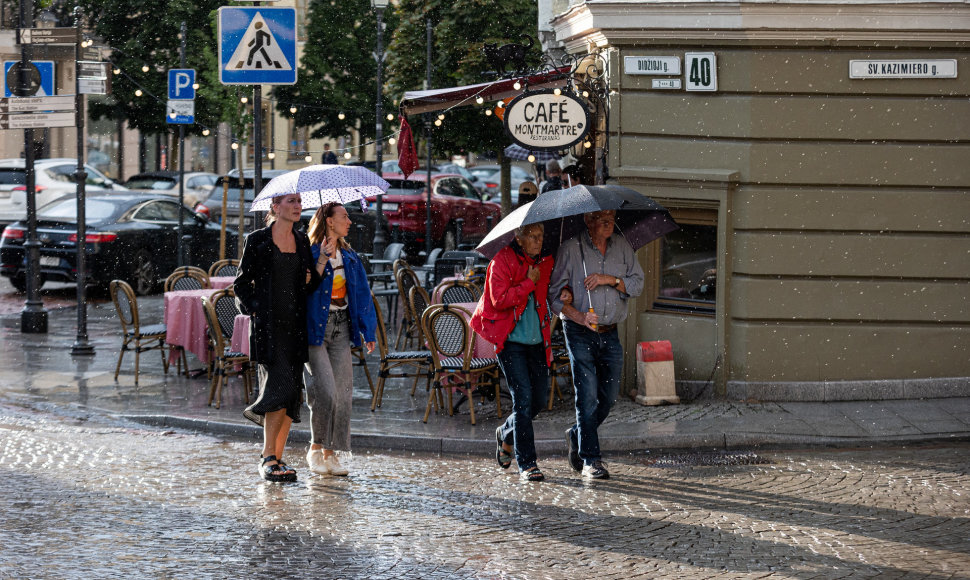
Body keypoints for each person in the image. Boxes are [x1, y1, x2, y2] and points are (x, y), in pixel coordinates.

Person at [548, 209, 644, 480]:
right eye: (600, 218)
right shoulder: (571, 249)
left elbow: (637, 284)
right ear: (587, 221)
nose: (608, 222)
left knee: (609, 396)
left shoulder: (622, 247)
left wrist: (610, 279)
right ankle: (591, 460)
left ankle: (578, 433)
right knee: (587, 396)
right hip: (580, 333)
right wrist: (579, 315)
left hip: (611, 332)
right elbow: (554, 297)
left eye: (610, 217)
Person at [234, 193, 322, 483]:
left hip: (295, 328)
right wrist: (257, 311)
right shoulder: (258, 239)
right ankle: (267, 456)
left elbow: (310, 286)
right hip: (269, 328)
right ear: (275, 207)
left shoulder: (302, 241)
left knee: (291, 393)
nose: (298, 206)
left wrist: (319, 266)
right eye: (291, 201)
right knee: (278, 386)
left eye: (299, 201)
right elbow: (241, 284)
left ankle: (278, 457)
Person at [470, 224, 556, 481]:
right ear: (518, 237)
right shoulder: (502, 260)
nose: (538, 241)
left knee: (538, 400)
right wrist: (529, 282)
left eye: (541, 236)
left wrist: (562, 292)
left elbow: (549, 291)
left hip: (538, 340)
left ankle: (506, 433)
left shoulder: (546, 261)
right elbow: (499, 299)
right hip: (511, 341)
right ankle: (528, 463)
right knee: (523, 399)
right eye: (532, 236)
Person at [304, 202, 377, 477]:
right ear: (329, 222)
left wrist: (367, 331)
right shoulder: (310, 253)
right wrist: (321, 258)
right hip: (315, 330)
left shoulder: (349, 255)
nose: (349, 221)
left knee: (344, 394)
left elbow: (362, 294)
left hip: (341, 327)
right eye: (344, 216)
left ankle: (331, 453)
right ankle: (315, 447)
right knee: (325, 391)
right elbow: (305, 289)